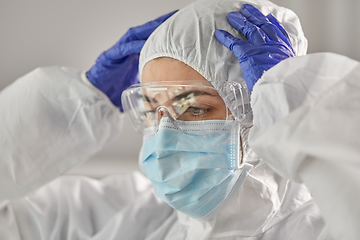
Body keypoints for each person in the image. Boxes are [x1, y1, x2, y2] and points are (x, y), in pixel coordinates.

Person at [0, 1, 359, 240]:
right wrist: (75, 103)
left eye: (194, 108)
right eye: (151, 107)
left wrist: (299, 96)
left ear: (262, 112)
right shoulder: (132, 218)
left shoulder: (322, 227)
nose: (164, 135)